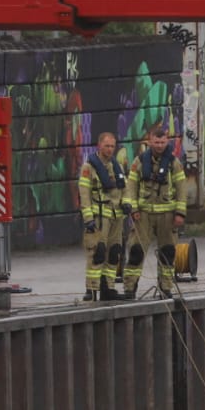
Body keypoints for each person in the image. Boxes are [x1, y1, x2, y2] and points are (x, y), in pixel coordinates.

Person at [123, 122, 187, 298]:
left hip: (167, 215)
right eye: (156, 143)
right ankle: (129, 288)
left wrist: (180, 213)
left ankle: (165, 287)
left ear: (167, 142)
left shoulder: (174, 164)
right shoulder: (139, 162)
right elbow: (131, 186)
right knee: (136, 251)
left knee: (168, 252)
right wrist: (133, 208)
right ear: (149, 142)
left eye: (162, 143)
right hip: (143, 215)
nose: (159, 146)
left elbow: (182, 188)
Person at [77, 129, 127, 301]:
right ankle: (91, 289)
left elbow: (125, 188)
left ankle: (108, 287)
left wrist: (127, 203)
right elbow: (84, 194)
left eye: (112, 146)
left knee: (114, 252)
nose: (110, 149)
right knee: (97, 252)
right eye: (106, 146)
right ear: (99, 145)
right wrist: (88, 218)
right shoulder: (89, 167)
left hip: (116, 216)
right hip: (99, 217)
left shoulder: (116, 165)